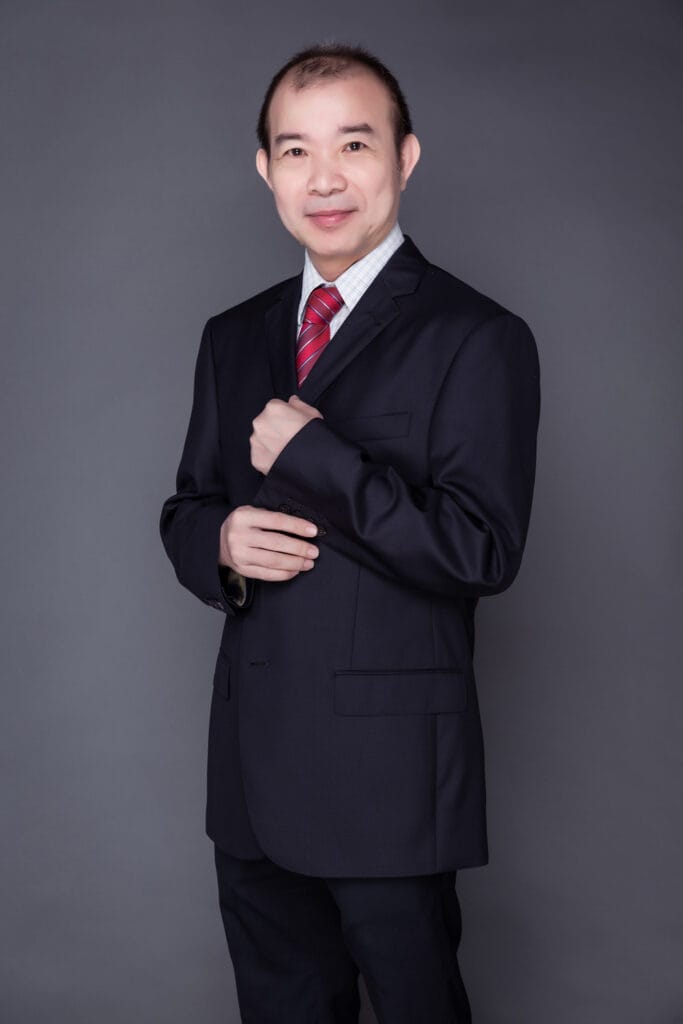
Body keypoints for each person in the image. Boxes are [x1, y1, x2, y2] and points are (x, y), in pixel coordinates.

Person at [159, 42, 540, 1024]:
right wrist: (219, 543)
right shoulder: (232, 335)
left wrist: (316, 459)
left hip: (387, 785)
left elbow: (479, 549)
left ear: (404, 157)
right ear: (265, 168)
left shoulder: (475, 335)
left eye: (353, 145)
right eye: (295, 150)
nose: (323, 178)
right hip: (250, 780)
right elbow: (187, 506)